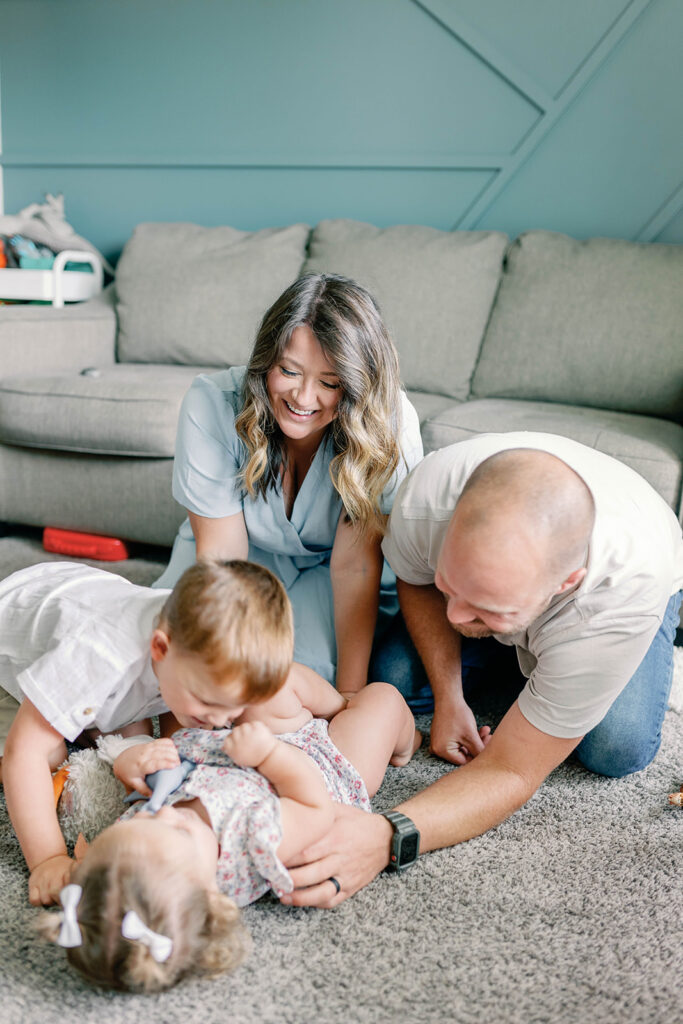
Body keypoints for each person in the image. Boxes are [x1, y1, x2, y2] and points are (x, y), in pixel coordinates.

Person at [278, 433, 683, 907]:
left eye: (486, 609)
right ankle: (517, 640)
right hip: (521, 583)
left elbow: (510, 770)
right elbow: (417, 580)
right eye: (451, 585)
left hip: (637, 571)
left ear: (564, 583)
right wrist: (450, 696)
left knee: (616, 747)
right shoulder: (426, 501)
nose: (453, 618)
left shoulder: (615, 603)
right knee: (390, 675)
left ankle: (549, 657)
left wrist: (386, 834)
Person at [36, 674, 419, 993]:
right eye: (182, 831)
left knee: (261, 681)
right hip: (324, 766)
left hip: (232, 750)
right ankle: (405, 743)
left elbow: (134, 792)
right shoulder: (251, 845)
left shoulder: (134, 846)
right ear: (212, 897)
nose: (165, 814)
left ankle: (334, 702)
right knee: (382, 699)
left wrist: (129, 765)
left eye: (141, 820)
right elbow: (313, 806)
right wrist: (269, 755)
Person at [154, 273, 424, 696]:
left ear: (355, 385)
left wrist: (349, 698)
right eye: (289, 370)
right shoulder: (211, 403)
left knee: (305, 680)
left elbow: (354, 565)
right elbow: (224, 558)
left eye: (330, 383)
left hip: (332, 569)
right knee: (172, 657)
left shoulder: (389, 423)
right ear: (267, 358)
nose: (303, 398)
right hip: (233, 559)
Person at [0, 557, 293, 906]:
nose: (220, 721)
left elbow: (178, 715)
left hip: (72, 599)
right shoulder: (99, 656)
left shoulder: (190, 637)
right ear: (160, 647)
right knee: (48, 754)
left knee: (129, 733)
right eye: (207, 702)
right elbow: (24, 755)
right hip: (13, 643)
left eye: (235, 708)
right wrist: (47, 859)